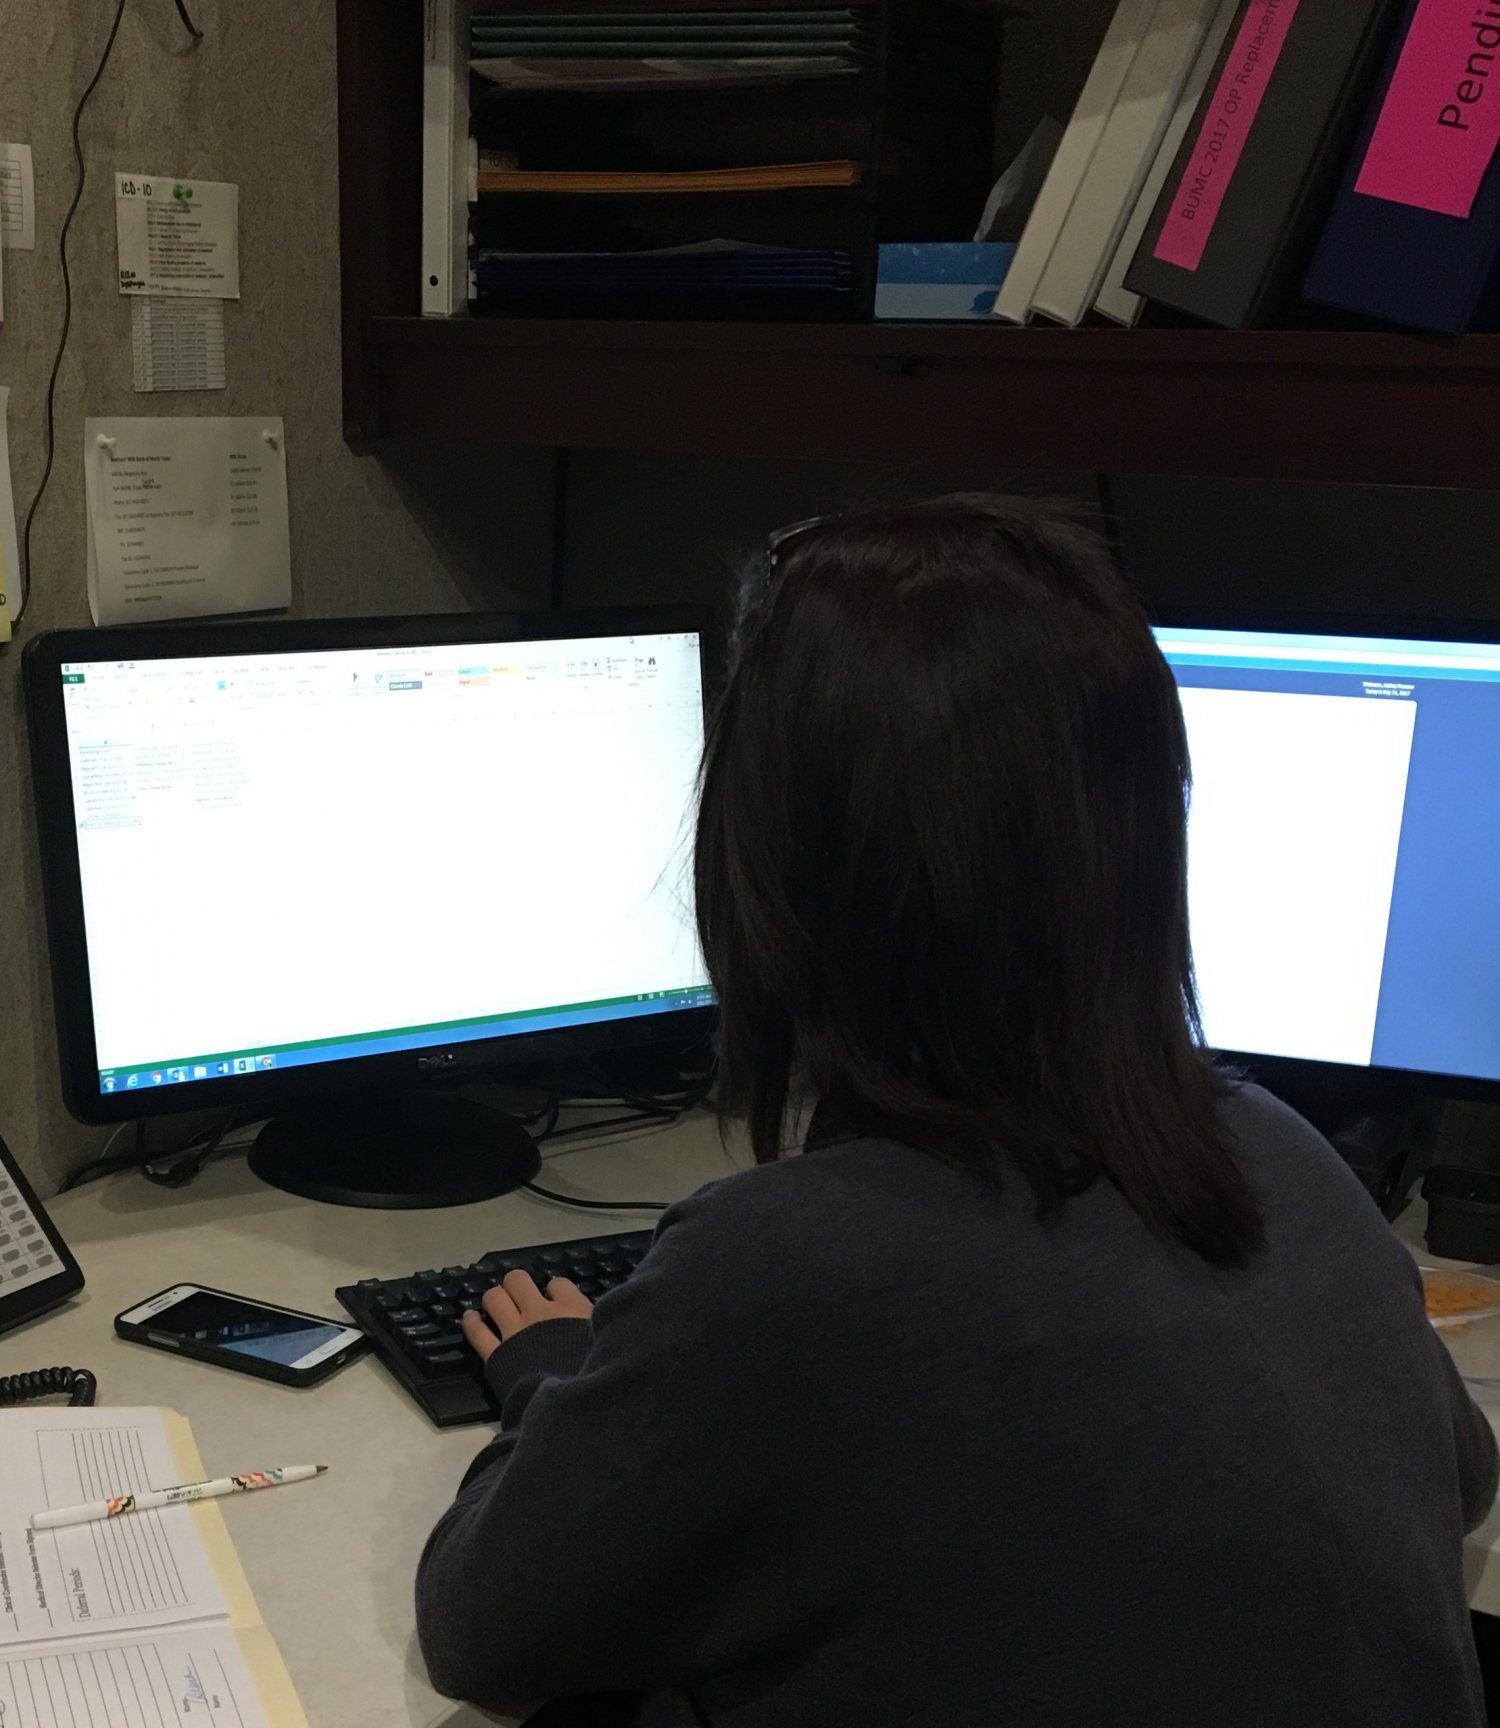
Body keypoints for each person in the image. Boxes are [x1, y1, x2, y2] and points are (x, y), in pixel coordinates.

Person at [416, 495, 1497, 1727]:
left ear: (778, 861)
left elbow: (481, 1625)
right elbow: (1462, 1474)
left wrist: (558, 1372)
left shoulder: (783, 1269)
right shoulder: (1285, 1163)